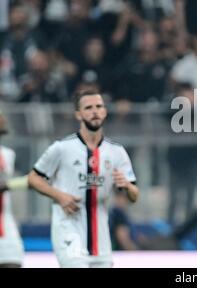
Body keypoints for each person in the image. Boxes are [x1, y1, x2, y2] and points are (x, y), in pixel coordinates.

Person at [27, 90, 139, 268]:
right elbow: (33, 178)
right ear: (78, 114)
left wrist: (127, 186)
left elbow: (134, 196)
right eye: (88, 108)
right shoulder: (62, 148)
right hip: (69, 233)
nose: (95, 111)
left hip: (101, 239)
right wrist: (60, 196)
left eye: (99, 106)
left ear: (105, 111)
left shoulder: (117, 151)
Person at [0, 112, 25, 268]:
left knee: (13, 261)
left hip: (6, 223)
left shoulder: (8, 154)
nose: (4, 120)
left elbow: (6, 184)